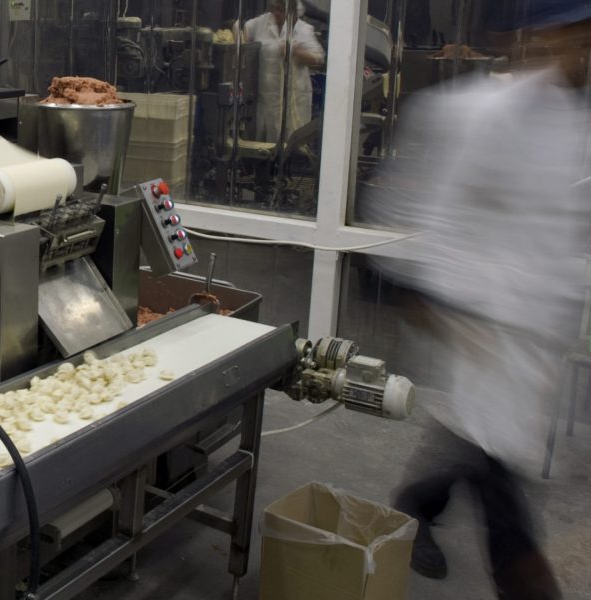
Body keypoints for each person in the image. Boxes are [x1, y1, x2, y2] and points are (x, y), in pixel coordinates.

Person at [361, 3, 591, 598]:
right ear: (546, 35)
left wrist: (556, 314)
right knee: (500, 477)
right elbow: (423, 212)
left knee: (477, 443)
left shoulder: (573, 121)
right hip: (476, 322)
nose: (582, 48)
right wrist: (440, 307)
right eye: (575, 34)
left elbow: (561, 228)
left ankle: (414, 505)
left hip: (530, 329)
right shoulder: (478, 114)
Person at [243, 0, 325, 143]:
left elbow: (318, 58)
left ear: (292, 12)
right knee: (265, 142)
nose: (276, 13)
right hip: (267, 99)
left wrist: (296, 52)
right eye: (273, 8)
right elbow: (240, 27)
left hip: (293, 100)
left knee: (291, 142)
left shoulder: (302, 29)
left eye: (280, 10)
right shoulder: (261, 23)